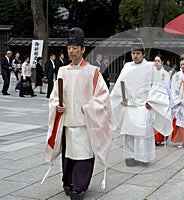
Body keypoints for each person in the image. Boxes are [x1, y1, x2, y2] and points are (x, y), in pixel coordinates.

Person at [44, 27, 112, 199]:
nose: (71, 51)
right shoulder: (62, 71)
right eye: (69, 48)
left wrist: (89, 107)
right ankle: (68, 182)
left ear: (83, 50)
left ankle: (79, 187)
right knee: (68, 156)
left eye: (75, 48)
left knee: (83, 156)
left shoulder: (93, 72)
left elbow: (103, 96)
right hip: (67, 121)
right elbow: (55, 95)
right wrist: (56, 105)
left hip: (84, 122)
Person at [110, 38, 172, 167]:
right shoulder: (127, 66)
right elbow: (121, 82)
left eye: (138, 53)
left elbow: (157, 85)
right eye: (133, 53)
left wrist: (152, 101)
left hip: (144, 104)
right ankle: (130, 156)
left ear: (143, 54)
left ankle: (143, 157)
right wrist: (122, 97)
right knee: (129, 133)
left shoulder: (150, 67)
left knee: (143, 134)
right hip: (130, 104)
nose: (135, 56)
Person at [153, 54, 172, 145]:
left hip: (162, 97)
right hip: (153, 97)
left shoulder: (165, 74)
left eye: (158, 61)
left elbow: (167, 87)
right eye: (155, 61)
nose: (156, 63)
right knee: (154, 118)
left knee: (161, 118)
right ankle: (154, 138)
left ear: (162, 62)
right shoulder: (152, 72)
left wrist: (167, 98)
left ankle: (161, 138)